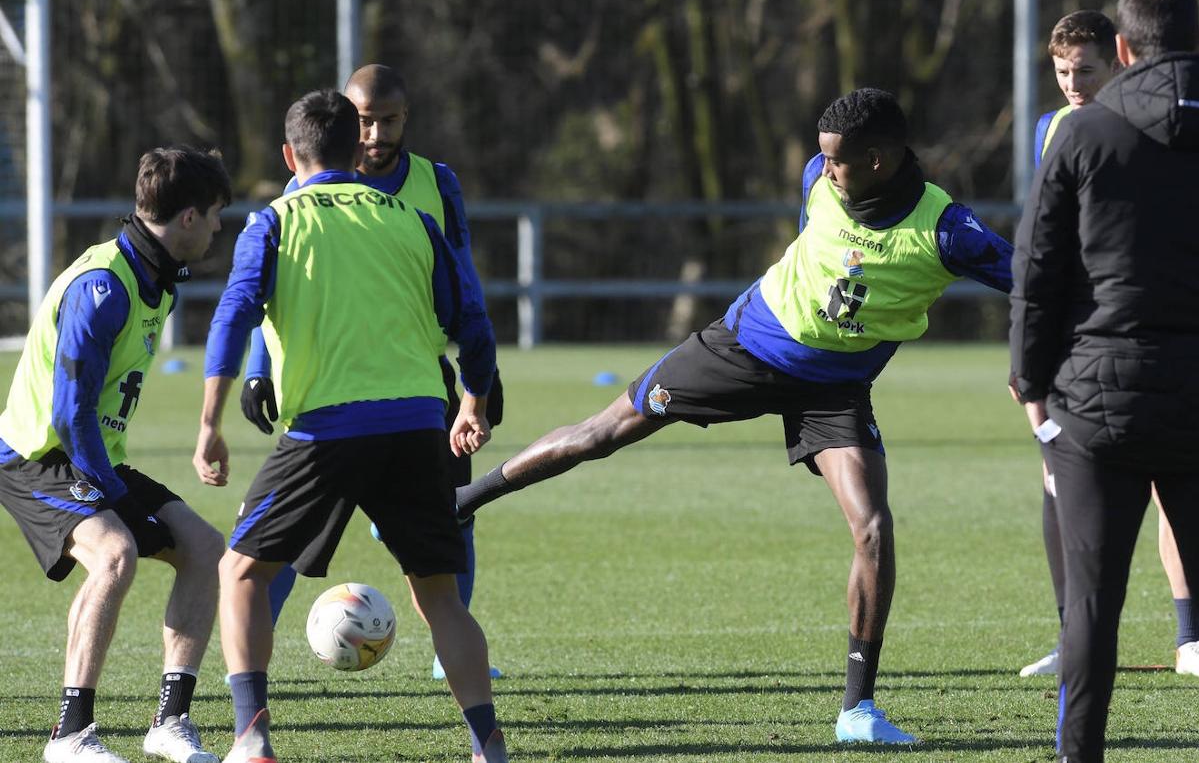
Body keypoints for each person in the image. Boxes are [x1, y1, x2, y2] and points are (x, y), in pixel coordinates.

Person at [455, 87, 1013, 745]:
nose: (824, 167)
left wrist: (1030, 357)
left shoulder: (946, 231)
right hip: (742, 347)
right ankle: (461, 503)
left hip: (832, 390)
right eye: (824, 157)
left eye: (838, 159)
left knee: (873, 530)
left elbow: (1033, 280)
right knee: (601, 434)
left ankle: (856, 711)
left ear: (880, 159)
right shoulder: (816, 179)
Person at [196, 89, 506, 763]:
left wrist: (210, 422)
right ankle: (489, 748)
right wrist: (474, 402)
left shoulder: (275, 220)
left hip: (324, 432)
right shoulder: (412, 219)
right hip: (420, 424)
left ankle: (251, 739)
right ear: (354, 151)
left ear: (289, 155)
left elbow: (233, 315)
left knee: (241, 572)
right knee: (441, 597)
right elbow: (473, 321)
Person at [1010, 0, 1199, 759]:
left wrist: (1030, 382)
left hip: (1095, 403)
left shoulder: (1082, 132)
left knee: (1090, 612)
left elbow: (1038, 266)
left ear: (1121, 48)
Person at [0, 147, 229, 763]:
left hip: (91, 454)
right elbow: (70, 416)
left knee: (207, 551)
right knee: (115, 553)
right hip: (36, 454)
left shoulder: (155, 281)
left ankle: (170, 723)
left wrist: (117, 487)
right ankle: (70, 736)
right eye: (212, 216)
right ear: (185, 218)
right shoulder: (104, 288)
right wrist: (121, 501)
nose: (216, 228)